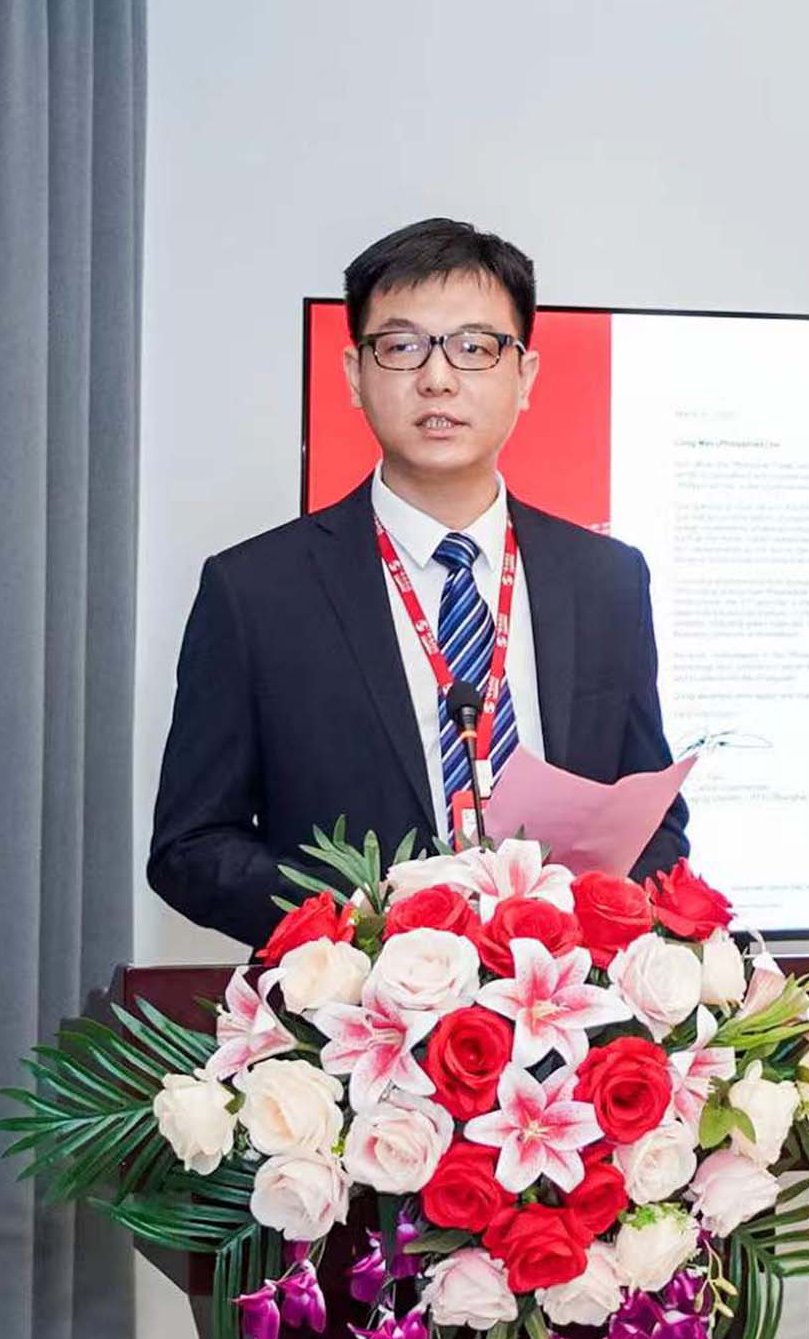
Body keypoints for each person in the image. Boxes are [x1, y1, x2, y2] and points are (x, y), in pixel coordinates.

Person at [149, 217, 688, 947]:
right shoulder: (255, 592)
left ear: (525, 375)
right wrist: (366, 931)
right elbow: (191, 847)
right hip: (352, 1005)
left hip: (556, 999)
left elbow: (654, 822)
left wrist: (581, 936)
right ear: (355, 374)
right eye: (402, 347)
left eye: (474, 347)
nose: (437, 378)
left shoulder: (607, 581)